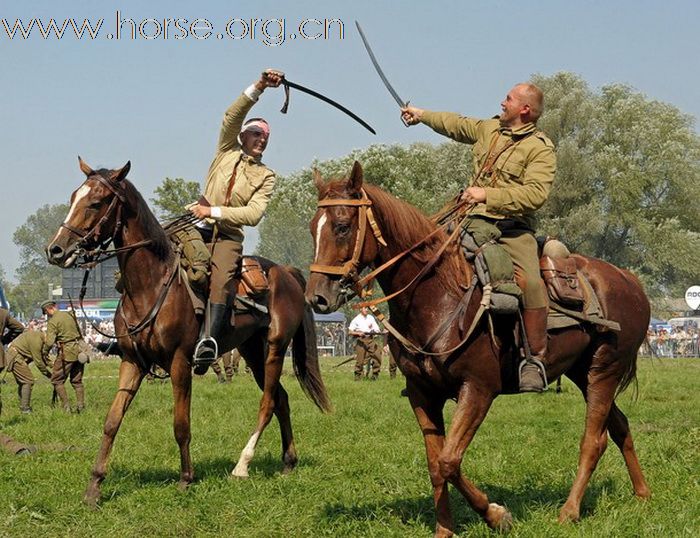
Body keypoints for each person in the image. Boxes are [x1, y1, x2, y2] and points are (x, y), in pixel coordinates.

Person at [401, 82, 556, 392]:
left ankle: (533, 360)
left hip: (511, 228)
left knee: (530, 282)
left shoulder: (540, 147)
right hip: (467, 220)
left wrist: (487, 194)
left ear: (525, 109)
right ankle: (422, 358)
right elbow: (456, 124)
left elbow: (536, 194)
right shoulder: (490, 128)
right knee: (422, 259)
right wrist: (421, 115)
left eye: (509, 99)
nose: (502, 102)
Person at [189, 69, 284, 372]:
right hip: (195, 225)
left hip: (227, 236)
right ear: (243, 136)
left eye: (266, 137)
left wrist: (214, 212)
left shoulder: (266, 175)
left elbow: (253, 214)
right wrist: (260, 86)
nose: (262, 140)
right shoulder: (226, 149)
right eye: (257, 134)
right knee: (154, 249)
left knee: (220, 279)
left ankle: (209, 344)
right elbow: (232, 115)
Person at [40, 300, 86, 412]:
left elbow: (50, 342)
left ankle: (66, 407)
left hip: (67, 352)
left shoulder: (53, 321)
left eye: (46, 313)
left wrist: (44, 352)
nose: (47, 316)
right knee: (77, 380)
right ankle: (81, 406)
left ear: (48, 309)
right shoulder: (69, 315)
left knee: (57, 380)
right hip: (80, 350)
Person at [4, 329, 52, 413]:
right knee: (28, 381)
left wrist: (53, 366)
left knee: (23, 382)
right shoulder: (37, 341)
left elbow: (43, 356)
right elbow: (39, 362)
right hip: (16, 357)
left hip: (15, 356)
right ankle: (25, 408)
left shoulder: (38, 337)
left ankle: (22, 404)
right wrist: (49, 375)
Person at [348, 307, 382, 380]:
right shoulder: (356, 319)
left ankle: (375, 375)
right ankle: (358, 377)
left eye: (367, 308)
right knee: (360, 361)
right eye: (365, 308)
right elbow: (350, 332)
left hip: (371, 339)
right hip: (361, 341)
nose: (367, 310)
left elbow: (377, 329)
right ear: (360, 309)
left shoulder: (371, 318)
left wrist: (375, 331)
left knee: (377, 356)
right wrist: (358, 333)